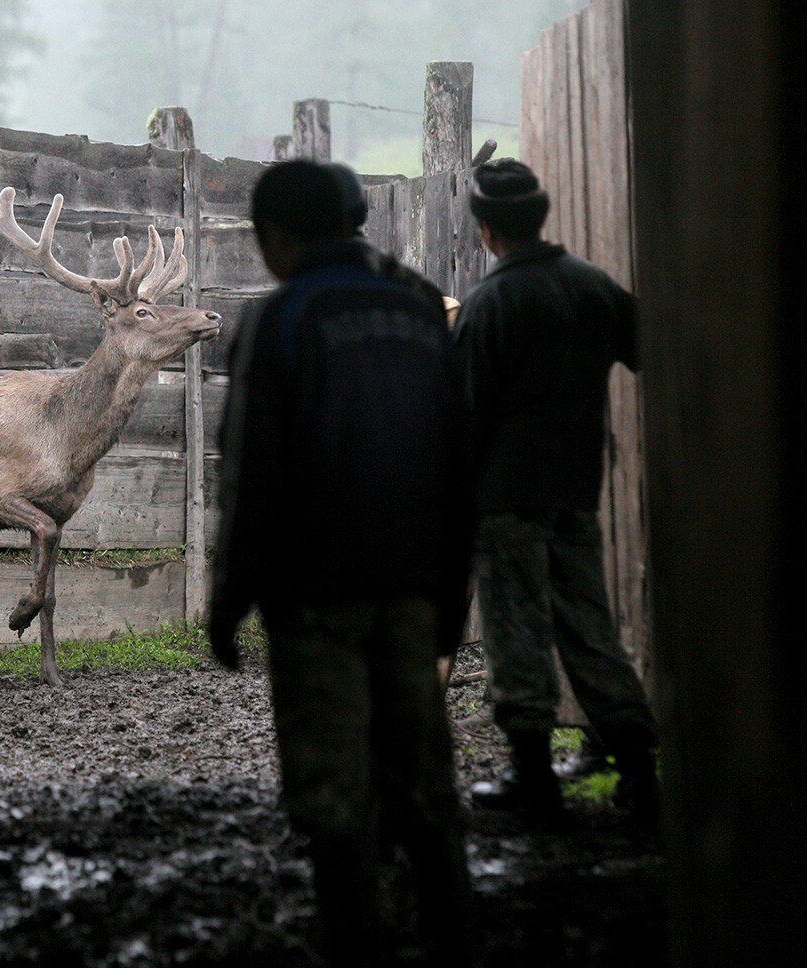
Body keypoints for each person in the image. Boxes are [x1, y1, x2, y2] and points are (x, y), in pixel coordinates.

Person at [209, 160, 476, 967]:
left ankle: (357, 943)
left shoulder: (278, 319)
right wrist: (452, 597)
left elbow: (250, 472)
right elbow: (459, 458)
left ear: (278, 237)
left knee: (332, 794)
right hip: (412, 588)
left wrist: (230, 599)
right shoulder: (424, 311)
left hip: (316, 598)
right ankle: (455, 935)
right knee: (425, 785)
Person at [452, 158, 660, 826]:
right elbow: (652, 348)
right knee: (590, 629)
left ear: (486, 231)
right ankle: (639, 773)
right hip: (576, 491)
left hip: (505, 499)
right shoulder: (590, 287)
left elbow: (466, 417)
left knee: (516, 633)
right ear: (541, 219)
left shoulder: (488, 305)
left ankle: (532, 779)